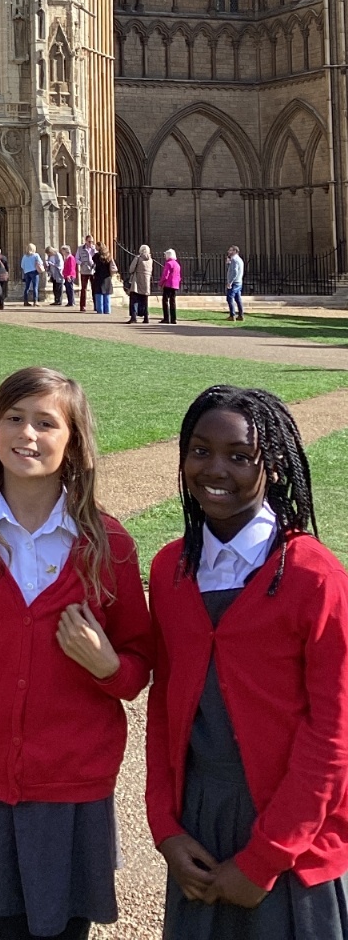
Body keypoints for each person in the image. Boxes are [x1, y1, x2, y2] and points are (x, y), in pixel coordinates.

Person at [0, 366, 153, 940]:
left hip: (75, 788)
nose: (27, 434)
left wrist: (109, 668)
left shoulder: (108, 544)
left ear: (73, 441)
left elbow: (139, 665)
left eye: (46, 423)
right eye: (14, 418)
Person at [146, 385, 348, 937]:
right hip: (198, 829)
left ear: (274, 467)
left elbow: (333, 734)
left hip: (293, 838)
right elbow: (164, 706)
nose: (216, 469)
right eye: (200, 450)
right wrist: (165, 827)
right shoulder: (170, 571)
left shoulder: (315, 577)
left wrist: (265, 858)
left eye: (239, 456)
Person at [125, 244, 153, 325]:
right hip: (146, 281)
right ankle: (146, 317)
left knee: (134, 299)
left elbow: (131, 269)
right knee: (145, 300)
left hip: (137, 280)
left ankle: (133, 317)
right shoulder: (150, 260)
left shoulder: (138, 258)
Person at [159, 250, 181, 326]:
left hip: (168, 284)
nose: (164, 256)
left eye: (165, 255)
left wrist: (161, 283)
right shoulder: (177, 264)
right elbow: (179, 276)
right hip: (175, 285)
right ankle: (173, 319)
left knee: (165, 301)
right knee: (172, 301)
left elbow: (165, 275)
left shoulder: (168, 263)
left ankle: (166, 318)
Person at [91, 243, 114, 316]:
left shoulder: (96, 256)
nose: (95, 247)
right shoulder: (108, 256)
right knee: (107, 294)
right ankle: (107, 310)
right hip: (107, 276)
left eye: (96, 246)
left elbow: (93, 263)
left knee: (99, 293)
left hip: (98, 276)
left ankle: (100, 309)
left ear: (99, 247)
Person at [77, 236, 96, 313]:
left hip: (93, 271)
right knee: (83, 288)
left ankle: (96, 305)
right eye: (89, 241)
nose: (90, 243)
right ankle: (82, 306)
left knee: (94, 288)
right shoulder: (80, 248)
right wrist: (81, 263)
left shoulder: (94, 249)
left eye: (92, 241)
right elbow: (76, 258)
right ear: (86, 241)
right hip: (84, 271)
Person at [225, 246, 245, 321]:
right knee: (238, 299)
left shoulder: (234, 259)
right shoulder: (239, 259)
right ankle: (241, 315)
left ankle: (232, 315)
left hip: (234, 282)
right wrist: (228, 264)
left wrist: (230, 282)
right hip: (239, 282)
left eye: (230, 250)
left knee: (229, 298)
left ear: (235, 251)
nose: (228, 251)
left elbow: (235, 272)